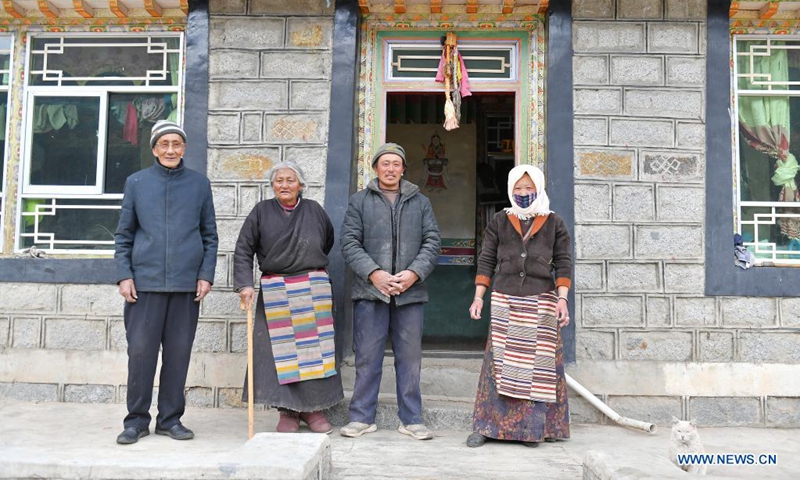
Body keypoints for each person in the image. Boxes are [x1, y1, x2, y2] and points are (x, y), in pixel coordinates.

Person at [114, 120, 218, 445]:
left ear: (184, 148)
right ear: (154, 148)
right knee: (141, 353)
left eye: (176, 144)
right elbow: (124, 234)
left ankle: (170, 419)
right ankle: (136, 421)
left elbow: (210, 235)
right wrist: (124, 274)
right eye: (164, 144)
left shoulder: (199, 184)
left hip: (187, 286)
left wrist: (205, 274)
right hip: (144, 285)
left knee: (178, 354)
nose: (171, 149)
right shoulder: (137, 182)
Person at [465, 164, 572, 448]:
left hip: (542, 301)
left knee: (537, 367)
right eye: (518, 189)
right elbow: (487, 259)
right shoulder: (501, 220)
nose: (523, 193)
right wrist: (478, 296)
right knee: (499, 364)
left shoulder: (554, 222)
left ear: (538, 188)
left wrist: (562, 299)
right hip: (505, 299)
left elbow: (563, 262)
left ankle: (530, 429)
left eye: (529, 188)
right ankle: (487, 427)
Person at [339, 142, 441, 440]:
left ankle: (411, 419)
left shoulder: (420, 202)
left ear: (403, 169)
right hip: (370, 293)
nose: (391, 169)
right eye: (385, 163)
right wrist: (375, 274)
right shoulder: (359, 201)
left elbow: (432, 241)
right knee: (368, 357)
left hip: (410, 293)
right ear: (375, 168)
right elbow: (349, 243)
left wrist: (413, 274)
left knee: (409, 359)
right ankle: (361, 417)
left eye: (396, 164)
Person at [234, 162, 343, 434]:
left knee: (313, 352)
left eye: (290, 180)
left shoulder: (314, 210)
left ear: (301, 185)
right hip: (276, 290)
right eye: (279, 180)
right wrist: (245, 285)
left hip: (312, 286)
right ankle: (288, 412)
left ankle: (313, 410)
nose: (284, 185)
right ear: (272, 185)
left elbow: (326, 240)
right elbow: (243, 250)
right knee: (281, 355)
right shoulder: (260, 212)